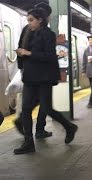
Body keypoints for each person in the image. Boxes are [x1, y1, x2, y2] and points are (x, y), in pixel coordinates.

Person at [13, 8, 78, 155]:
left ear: (40, 20)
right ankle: (28, 143)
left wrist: (28, 53)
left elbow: (49, 56)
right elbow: (22, 49)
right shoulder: (28, 32)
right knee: (26, 110)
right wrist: (21, 61)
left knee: (47, 108)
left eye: (31, 20)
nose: (28, 23)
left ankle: (69, 127)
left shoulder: (48, 34)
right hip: (29, 76)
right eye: (28, 20)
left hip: (44, 77)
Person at [14, 2, 53, 139]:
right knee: (43, 103)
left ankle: (30, 131)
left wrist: (21, 67)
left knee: (34, 103)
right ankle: (39, 129)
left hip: (30, 72)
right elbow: (29, 50)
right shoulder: (35, 29)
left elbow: (21, 47)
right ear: (44, 16)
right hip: (38, 73)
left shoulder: (30, 29)